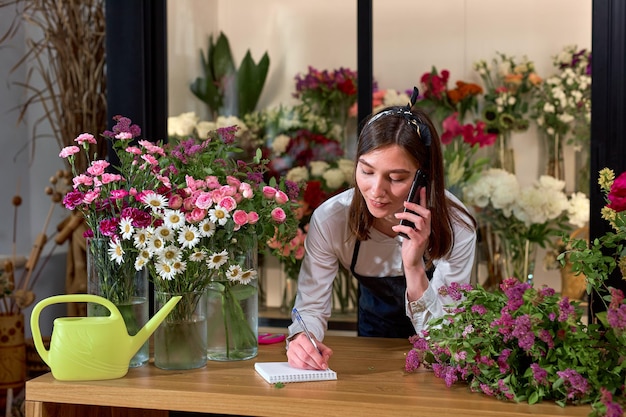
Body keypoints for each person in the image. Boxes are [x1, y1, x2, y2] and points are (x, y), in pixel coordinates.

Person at [286, 88, 477, 370]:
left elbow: (445, 341)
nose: (376, 191)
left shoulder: (457, 225)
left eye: (396, 178)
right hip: (371, 353)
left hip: (438, 362)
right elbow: (311, 307)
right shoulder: (331, 220)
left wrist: (413, 267)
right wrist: (303, 338)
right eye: (366, 171)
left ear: (424, 177)